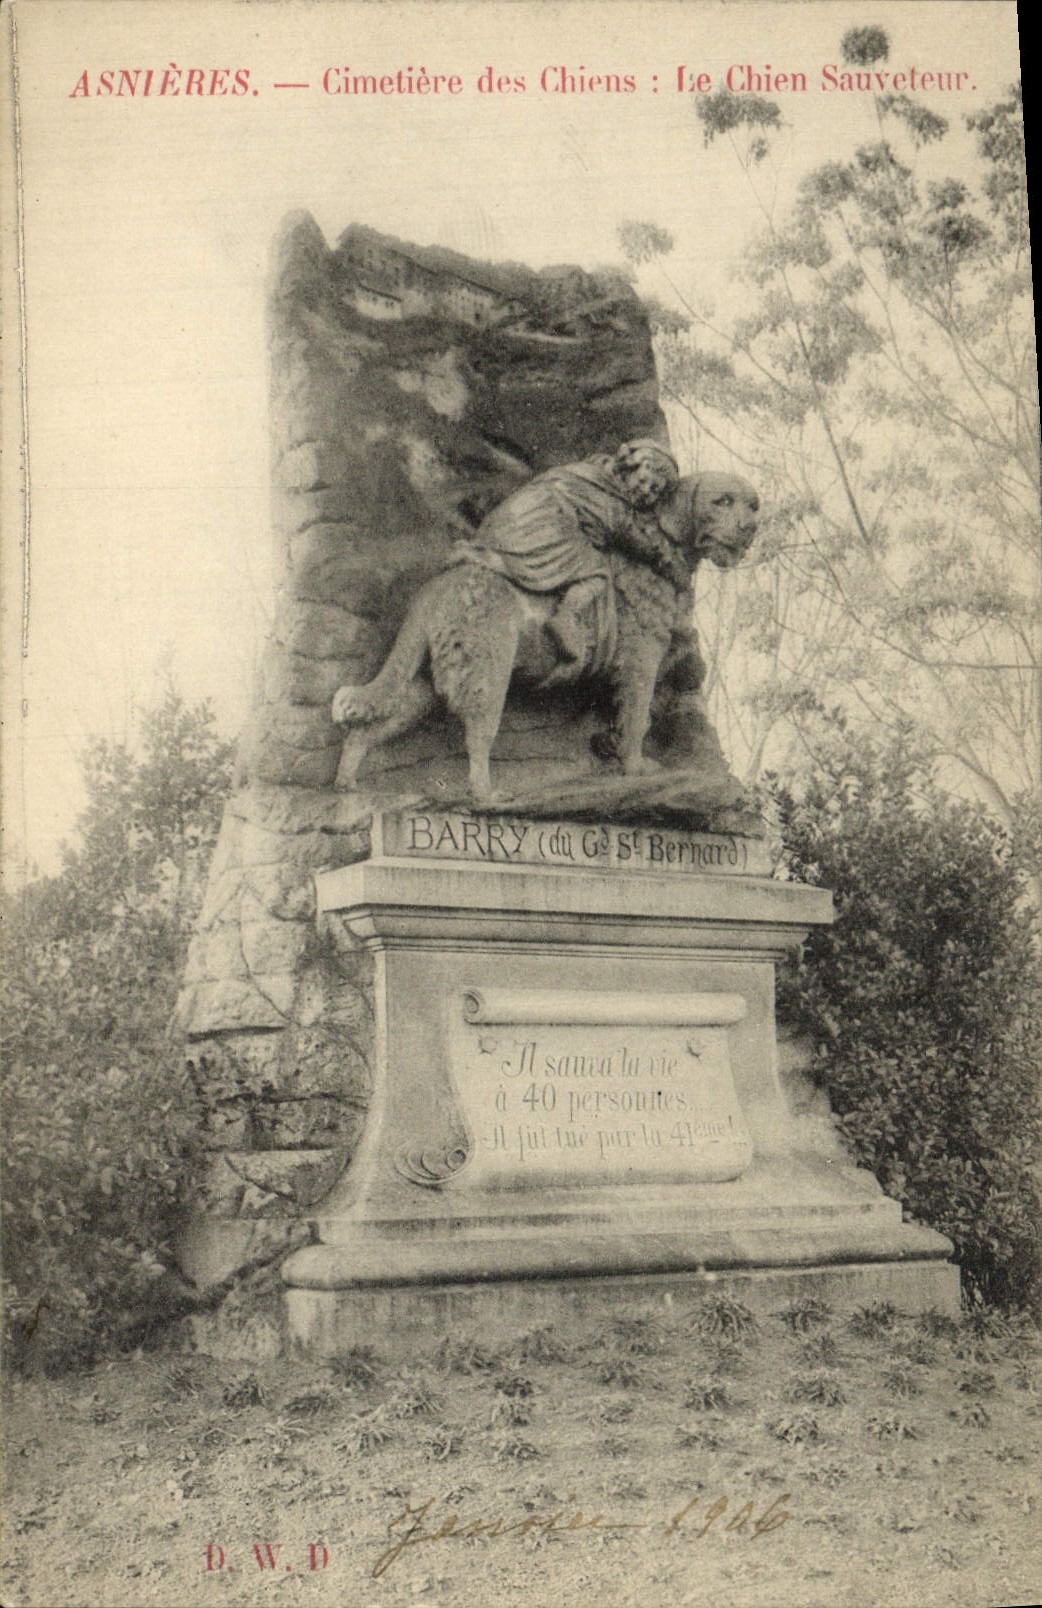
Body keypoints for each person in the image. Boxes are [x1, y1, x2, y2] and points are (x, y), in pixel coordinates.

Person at [448, 438, 685, 675]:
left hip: (516, 516)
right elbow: (625, 533)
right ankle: (566, 615)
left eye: (655, 490)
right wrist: (660, 558)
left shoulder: (591, 470)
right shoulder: (611, 499)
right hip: (543, 522)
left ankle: (485, 555)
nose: (645, 491)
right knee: (597, 571)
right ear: (631, 465)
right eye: (644, 481)